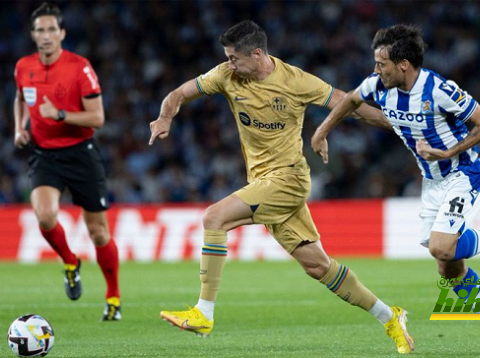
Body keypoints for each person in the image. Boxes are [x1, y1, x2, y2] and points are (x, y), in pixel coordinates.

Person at [149, 20, 413, 354]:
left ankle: (204, 312)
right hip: (263, 182)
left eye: (234, 58)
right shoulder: (225, 76)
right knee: (318, 266)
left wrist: (403, 125)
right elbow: (178, 94)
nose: (229, 64)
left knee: (214, 219)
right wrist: (165, 117)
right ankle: (390, 316)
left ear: (257, 54)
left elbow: (349, 104)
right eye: (227, 58)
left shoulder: (296, 81)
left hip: (288, 179)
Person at [311, 24, 480, 357]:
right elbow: (351, 100)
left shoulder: (440, 89)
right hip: (432, 184)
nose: (375, 70)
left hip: (463, 173)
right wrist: (321, 132)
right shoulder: (377, 85)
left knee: (443, 247)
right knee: (448, 266)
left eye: (381, 63)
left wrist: (447, 152)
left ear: (403, 64)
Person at [13, 2, 121, 321]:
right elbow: (19, 98)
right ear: (33, 35)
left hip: (80, 152)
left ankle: (113, 296)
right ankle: (70, 262)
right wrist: (19, 127)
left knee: (99, 233)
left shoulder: (79, 67)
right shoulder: (23, 67)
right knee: (45, 215)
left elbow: (98, 118)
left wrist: (60, 114)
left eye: (51, 30)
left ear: (62, 33)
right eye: (40, 30)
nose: (46, 36)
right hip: (44, 154)